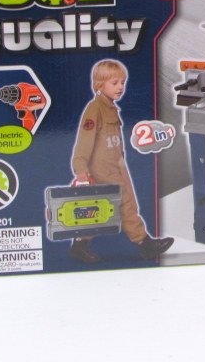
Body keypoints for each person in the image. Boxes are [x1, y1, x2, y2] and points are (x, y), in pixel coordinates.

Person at [69, 59, 173, 263]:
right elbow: (84, 142)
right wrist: (80, 169)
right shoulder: (95, 109)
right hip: (101, 168)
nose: (120, 87)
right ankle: (144, 243)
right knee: (121, 203)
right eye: (114, 83)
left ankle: (79, 245)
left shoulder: (111, 108)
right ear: (100, 85)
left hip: (116, 165)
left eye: (123, 82)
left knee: (113, 205)